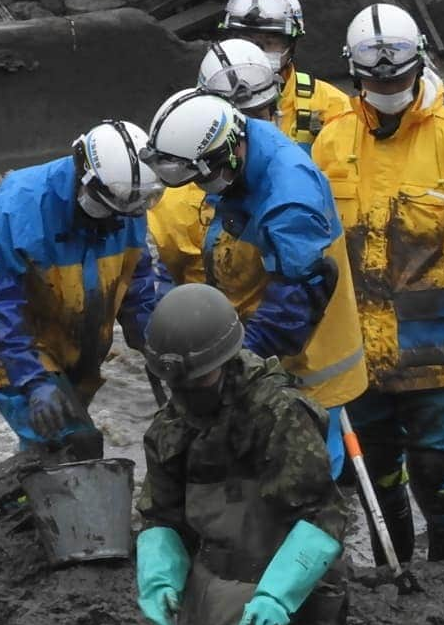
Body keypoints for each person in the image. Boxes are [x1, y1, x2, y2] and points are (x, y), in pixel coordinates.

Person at [134, 284, 347, 625]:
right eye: (173, 383)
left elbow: (322, 517)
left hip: (265, 597)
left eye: (198, 379)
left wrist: (279, 597)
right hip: (204, 591)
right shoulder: (173, 424)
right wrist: (159, 582)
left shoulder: (276, 413)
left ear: (226, 364)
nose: (186, 394)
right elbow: (161, 515)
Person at [312, 3, 444, 561]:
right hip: (357, 352)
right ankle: (391, 570)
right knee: (374, 472)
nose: (388, 87)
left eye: (397, 76)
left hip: (435, 348)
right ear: (356, 74)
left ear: (419, 63)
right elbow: (318, 243)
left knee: (435, 464)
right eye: (376, 79)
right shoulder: (332, 141)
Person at [141, 90, 367, 478]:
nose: (198, 188)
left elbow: (297, 301)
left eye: (201, 178)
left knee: (301, 475)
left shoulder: (290, 199)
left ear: (225, 155)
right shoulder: (248, 144)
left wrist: (236, 361)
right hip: (258, 341)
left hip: (307, 365)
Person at [0, 120, 162, 458]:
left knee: (56, 446)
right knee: (74, 445)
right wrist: (32, 380)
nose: (116, 224)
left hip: (77, 341)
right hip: (11, 345)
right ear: (87, 183)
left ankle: (28, 493)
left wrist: (153, 342)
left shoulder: (127, 201)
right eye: (109, 213)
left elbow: (136, 281)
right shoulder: (18, 206)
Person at [148, 39, 280, 291]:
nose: (246, 136)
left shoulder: (292, 180)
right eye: (238, 123)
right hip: (207, 323)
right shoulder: (176, 201)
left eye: (257, 118)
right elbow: (158, 286)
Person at [220, 0, 350, 153]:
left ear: (292, 45)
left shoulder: (332, 106)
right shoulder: (206, 105)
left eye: (269, 42)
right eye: (246, 42)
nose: (256, 53)